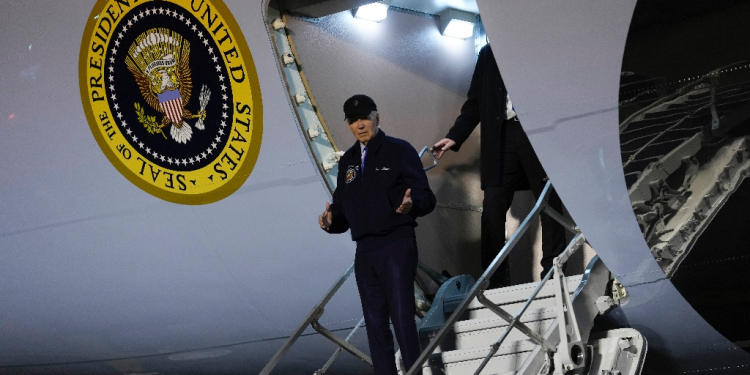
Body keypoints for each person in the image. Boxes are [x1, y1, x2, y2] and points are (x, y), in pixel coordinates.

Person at [319, 94, 435, 375]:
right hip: (365, 252)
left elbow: (427, 198)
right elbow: (341, 211)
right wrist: (330, 221)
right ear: (348, 125)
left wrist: (411, 206)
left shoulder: (399, 150)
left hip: (396, 245)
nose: (360, 125)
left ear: (377, 118)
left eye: (365, 118)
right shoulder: (347, 162)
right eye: (353, 121)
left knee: (402, 319)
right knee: (374, 324)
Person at [431, 44, 565, 287]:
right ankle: (495, 277)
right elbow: (475, 101)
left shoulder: (538, 45)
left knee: (549, 200)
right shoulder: (487, 53)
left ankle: (554, 272)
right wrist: (455, 136)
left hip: (536, 131)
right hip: (500, 136)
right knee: (493, 205)